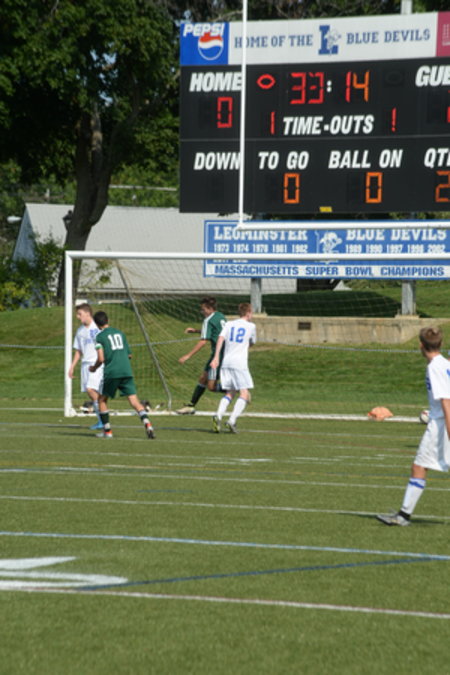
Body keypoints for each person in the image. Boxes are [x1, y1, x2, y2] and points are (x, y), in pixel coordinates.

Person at [377, 326, 450, 526]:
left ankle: (403, 516)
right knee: (420, 466)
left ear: (420, 345)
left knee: (419, 467)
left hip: (441, 425)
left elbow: (446, 401)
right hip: (440, 421)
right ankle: (403, 515)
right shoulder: (444, 363)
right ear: (441, 344)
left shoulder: (435, 367)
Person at [89, 311, 155, 439]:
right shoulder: (120, 333)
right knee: (134, 401)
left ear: (96, 324)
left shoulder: (99, 337)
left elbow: (101, 358)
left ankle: (107, 432)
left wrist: (93, 368)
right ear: (108, 320)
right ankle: (148, 423)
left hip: (112, 372)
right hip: (126, 371)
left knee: (102, 400)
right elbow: (129, 355)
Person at [210, 302, 256, 434]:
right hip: (239, 364)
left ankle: (218, 415)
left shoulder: (229, 324)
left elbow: (220, 338)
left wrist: (216, 357)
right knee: (244, 393)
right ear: (248, 313)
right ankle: (232, 420)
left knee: (230, 392)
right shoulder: (251, 326)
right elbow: (252, 342)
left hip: (226, 362)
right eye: (251, 312)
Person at [176, 296, 227, 414]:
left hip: (217, 356)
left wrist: (188, 355)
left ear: (209, 308)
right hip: (223, 353)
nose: (202, 312)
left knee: (211, 387)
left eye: (203, 309)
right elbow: (215, 331)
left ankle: (237, 390)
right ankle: (191, 406)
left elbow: (203, 341)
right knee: (203, 378)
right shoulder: (220, 316)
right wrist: (196, 331)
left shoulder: (208, 320)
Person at [68, 303, 104, 430]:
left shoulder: (97, 327)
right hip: (85, 365)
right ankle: (101, 419)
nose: (78, 317)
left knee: (91, 390)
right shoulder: (80, 331)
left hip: (96, 364)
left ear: (88, 314)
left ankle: (103, 419)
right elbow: (78, 350)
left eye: (80, 314)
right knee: (91, 393)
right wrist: (72, 366)